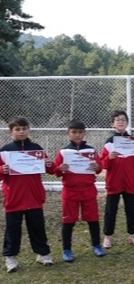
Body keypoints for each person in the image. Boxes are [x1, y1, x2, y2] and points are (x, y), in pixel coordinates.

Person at [1, 117, 55, 272]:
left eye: (24, 129)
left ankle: (43, 254)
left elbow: (50, 170)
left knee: (37, 227)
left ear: (28, 130)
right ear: (10, 132)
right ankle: (10, 257)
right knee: (13, 229)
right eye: (17, 129)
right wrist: (2, 170)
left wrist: (49, 165)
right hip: (14, 197)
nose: (21, 132)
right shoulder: (5, 151)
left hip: (33, 196)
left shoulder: (36, 148)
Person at [54, 120, 106, 262]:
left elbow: (99, 167)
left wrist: (97, 167)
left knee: (93, 219)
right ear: (68, 133)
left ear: (84, 133)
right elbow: (55, 170)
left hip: (88, 191)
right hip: (70, 192)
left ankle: (96, 245)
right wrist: (60, 168)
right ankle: (67, 250)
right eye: (74, 132)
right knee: (68, 221)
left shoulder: (90, 151)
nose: (77, 135)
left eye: (80, 132)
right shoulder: (64, 152)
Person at [100, 111, 134, 249]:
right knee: (110, 210)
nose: (121, 122)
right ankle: (108, 236)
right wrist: (109, 158)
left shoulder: (133, 141)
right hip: (114, 182)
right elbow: (103, 164)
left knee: (131, 210)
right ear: (112, 124)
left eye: (123, 119)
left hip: (129, 182)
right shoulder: (109, 143)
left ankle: (133, 234)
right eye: (117, 120)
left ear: (127, 122)